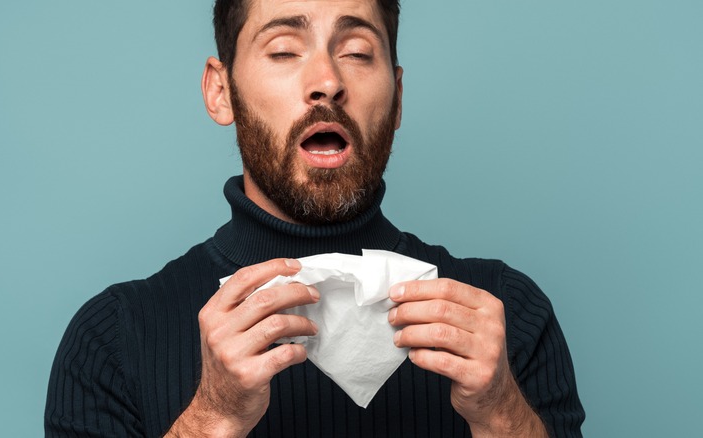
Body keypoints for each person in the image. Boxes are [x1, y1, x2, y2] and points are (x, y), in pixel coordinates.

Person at [45, 0, 585, 436]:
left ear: (397, 101)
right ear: (220, 90)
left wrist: (501, 415)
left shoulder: (509, 315)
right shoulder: (112, 338)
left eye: (356, 51)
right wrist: (213, 417)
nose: (326, 80)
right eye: (284, 50)